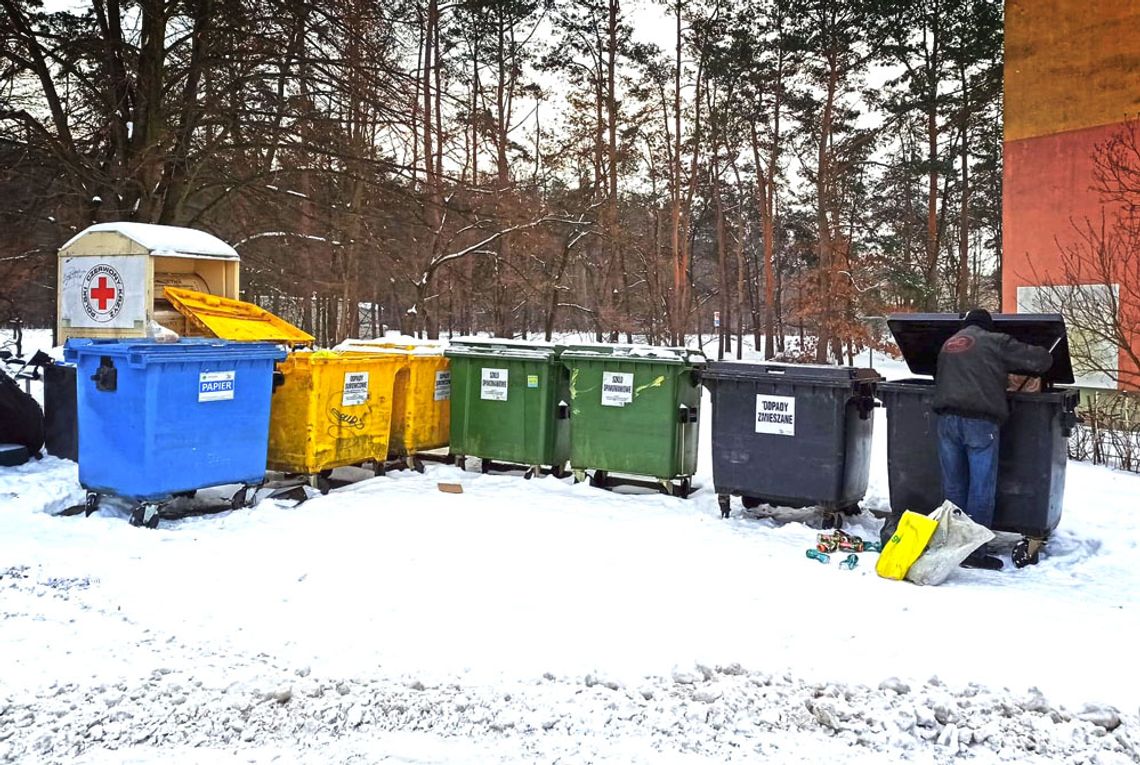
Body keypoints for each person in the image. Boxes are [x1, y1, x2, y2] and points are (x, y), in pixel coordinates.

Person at [932, 308, 1054, 569]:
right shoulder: (994, 340)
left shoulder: (949, 343)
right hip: (979, 422)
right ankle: (974, 553)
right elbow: (1039, 361)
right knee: (981, 489)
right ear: (987, 326)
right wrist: (1046, 351)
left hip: (947, 422)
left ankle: (952, 546)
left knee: (954, 488)